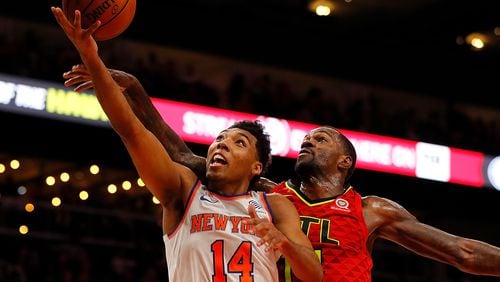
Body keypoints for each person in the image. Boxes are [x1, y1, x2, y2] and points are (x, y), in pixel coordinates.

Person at [61, 42, 500, 282]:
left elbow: (462, 251)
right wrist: (135, 90)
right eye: (306, 138)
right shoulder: (271, 197)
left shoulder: (372, 210)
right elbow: (178, 154)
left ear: (345, 162)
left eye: (321, 139)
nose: (308, 141)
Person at [50, 7, 323, 282]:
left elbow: (314, 275)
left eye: (238, 142)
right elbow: (132, 131)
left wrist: (283, 243)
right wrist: (91, 56)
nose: (222, 145)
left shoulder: (274, 205)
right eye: (219, 139)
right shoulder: (184, 190)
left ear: (256, 167)